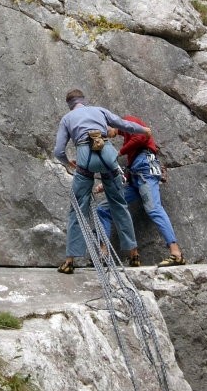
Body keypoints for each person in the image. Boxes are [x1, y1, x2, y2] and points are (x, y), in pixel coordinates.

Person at [53, 89, 152, 274]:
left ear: (70, 104)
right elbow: (124, 125)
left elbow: (58, 151)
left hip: (85, 160)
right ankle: (134, 254)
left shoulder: (67, 119)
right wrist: (143, 130)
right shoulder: (99, 111)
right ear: (84, 100)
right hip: (107, 156)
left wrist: (69, 163)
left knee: (77, 209)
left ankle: (69, 261)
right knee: (119, 205)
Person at [96, 116, 186, 267]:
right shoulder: (126, 137)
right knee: (104, 208)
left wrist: (118, 153)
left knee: (154, 209)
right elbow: (130, 170)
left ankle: (176, 253)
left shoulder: (128, 121)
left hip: (145, 170)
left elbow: (143, 136)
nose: (106, 137)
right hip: (136, 178)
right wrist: (107, 185)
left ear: (109, 125)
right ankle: (108, 252)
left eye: (104, 133)